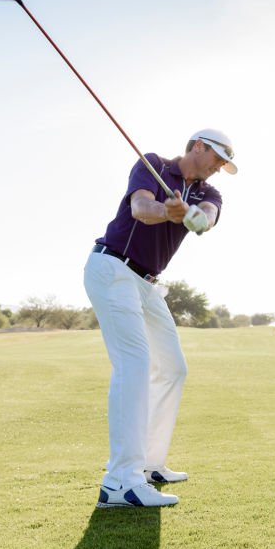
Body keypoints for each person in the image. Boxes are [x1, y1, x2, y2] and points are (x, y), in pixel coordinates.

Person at [84, 128, 237, 508]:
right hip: (113, 269)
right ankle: (120, 482)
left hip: (147, 284)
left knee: (173, 368)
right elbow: (140, 209)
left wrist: (189, 215)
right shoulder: (154, 164)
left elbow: (206, 222)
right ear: (197, 146)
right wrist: (165, 211)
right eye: (217, 158)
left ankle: (150, 463)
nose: (219, 168)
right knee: (134, 364)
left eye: (223, 163)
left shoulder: (207, 192)